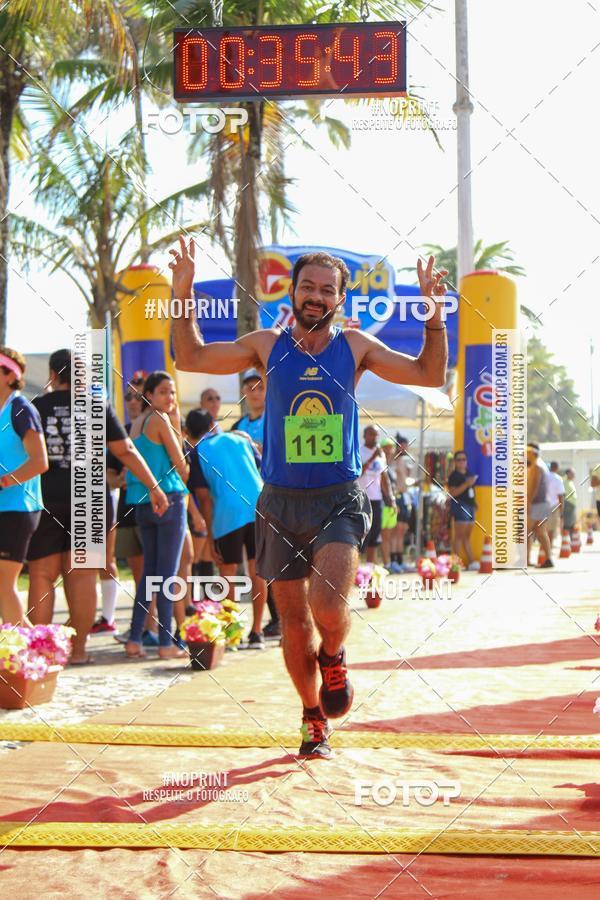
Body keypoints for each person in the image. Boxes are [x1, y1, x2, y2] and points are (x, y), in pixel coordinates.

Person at [170, 236, 448, 758]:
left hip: (337, 498)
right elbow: (189, 357)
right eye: (307, 287)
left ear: (339, 298)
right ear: (292, 293)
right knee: (294, 625)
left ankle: (335, 654)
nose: (315, 296)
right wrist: (182, 292)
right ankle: (312, 716)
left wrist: (433, 313)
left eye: (326, 289)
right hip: (279, 502)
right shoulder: (266, 345)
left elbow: (429, 374)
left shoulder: (355, 347)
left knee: (327, 605)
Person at [27, 350, 168, 664]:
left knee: (41, 575)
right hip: (89, 497)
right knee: (82, 576)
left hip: (46, 495)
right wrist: (154, 486)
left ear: (52, 375)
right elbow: (125, 450)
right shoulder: (96, 406)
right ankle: (78, 652)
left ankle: (39, 656)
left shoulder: (35, 407)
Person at [185, 408, 267, 646]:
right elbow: (260, 468)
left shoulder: (198, 452)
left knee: (228, 571)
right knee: (257, 570)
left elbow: (205, 500)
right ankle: (257, 631)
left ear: (189, 434)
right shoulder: (240, 439)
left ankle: (232, 633)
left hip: (227, 512)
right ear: (213, 423)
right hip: (259, 505)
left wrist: (211, 538)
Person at [124, 371, 189, 660]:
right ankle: (165, 642)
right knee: (167, 575)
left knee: (148, 574)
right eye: (163, 392)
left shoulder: (137, 423)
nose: (170, 397)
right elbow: (182, 465)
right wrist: (176, 424)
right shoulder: (160, 420)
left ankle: (134, 639)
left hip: (141, 502)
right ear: (149, 395)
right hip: (169, 499)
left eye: (172, 392)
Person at [0, 348, 48, 626]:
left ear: (10, 376)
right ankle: (37, 647)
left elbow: (40, 462)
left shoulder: (21, 408)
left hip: (20, 508)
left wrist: (3, 481)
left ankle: (29, 648)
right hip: (5, 507)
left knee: (4, 583)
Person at [358, 426, 395, 564]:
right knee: (361, 535)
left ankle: (369, 568)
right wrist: (373, 457)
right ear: (365, 436)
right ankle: (357, 568)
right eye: (372, 435)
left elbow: (384, 478)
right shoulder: (359, 451)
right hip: (362, 499)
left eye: (377, 435)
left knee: (374, 536)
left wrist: (391, 498)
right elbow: (359, 473)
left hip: (377, 499)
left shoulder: (381, 454)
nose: (375, 438)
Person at [447, 450, 479, 570]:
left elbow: (471, 490)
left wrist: (474, 502)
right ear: (455, 462)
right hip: (460, 505)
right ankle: (455, 563)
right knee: (459, 536)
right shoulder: (453, 476)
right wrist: (466, 484)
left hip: (470, 506)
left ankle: (471, 562)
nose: (462, 462)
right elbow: (452, 493)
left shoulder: (469, 473)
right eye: (459, 459)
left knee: (466, 537)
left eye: (464, 459)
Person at [526, 442, 553, 568]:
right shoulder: (541, 465)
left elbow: (534, 486)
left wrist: (528, 502)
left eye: (527, 452)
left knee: (527, 532)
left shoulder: (536, 466)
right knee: (540, 532)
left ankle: (525, 560)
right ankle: (548, 559)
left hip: (537, 503)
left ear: (532, 452)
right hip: (542, 503)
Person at [231, 369, 265, 450]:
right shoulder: (237, 426)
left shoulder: (277, 422)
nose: (255, 393)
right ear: (242, 392)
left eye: (261, 388)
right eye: (251, 388)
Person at [379, 437, 399, 571]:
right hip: (382, 504)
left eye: (391, 447)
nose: (388, 450)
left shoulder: (391, 465)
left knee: (388, 536)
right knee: (383, 536)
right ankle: (386, 564)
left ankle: (389, 563)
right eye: (386, 447)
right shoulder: (380, 464)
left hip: (390, 505)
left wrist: (394, 502)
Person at [546, 461, 565, 548]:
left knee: (544, 528)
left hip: (543, 505)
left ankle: (544, 547)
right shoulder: (558, 478)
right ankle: (549, 547)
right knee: (551, 528)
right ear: (557, 468)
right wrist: (561, 510)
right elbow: (560, 495)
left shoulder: (544, 476)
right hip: (554, 506)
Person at [563, 468, 577, 534]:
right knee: (567, 523)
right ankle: (566, 537)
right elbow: (563, 494)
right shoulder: (564, 482)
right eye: (572, 473)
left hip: (572, 505)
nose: (574, 475)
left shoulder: (570, 482)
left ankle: (571, 537)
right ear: (568, 474)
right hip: (568, 505)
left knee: (572, 522)